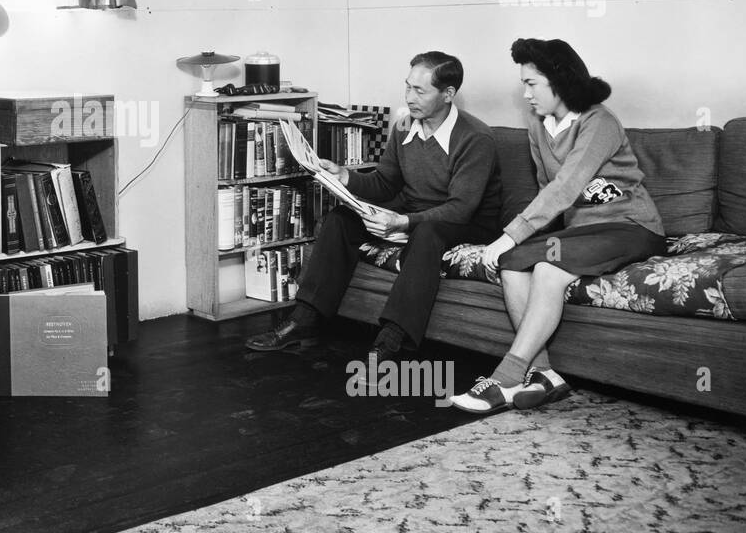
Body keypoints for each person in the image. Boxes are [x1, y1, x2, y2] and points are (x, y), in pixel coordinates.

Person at [246, 52, 504, 373]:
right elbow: (385, 183)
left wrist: (403, 221)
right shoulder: (405, 125)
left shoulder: (474, 137)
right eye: (407, 87)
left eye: (419, 91)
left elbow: (461, 208)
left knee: (426, 233)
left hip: (467, 224)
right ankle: (304, 319)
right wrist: (344, 176)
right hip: (418, 213)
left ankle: (392, 338)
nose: (409, 98)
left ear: (448, 94)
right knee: (340, 220)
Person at [450, 39, 666, 414]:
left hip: (630, 226)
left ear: (559, 81)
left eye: (532, 84)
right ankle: (546, 374)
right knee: (512, 263)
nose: (525, 93)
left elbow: (567, 185)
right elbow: (546, 190)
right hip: (582, 232)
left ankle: (506, 378)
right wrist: (518, 241)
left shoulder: (600, 122)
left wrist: (509, 235)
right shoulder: (537, 124)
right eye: (524, 83)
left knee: (549, 269)